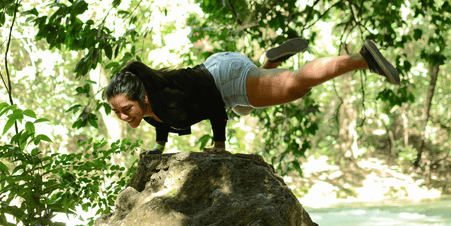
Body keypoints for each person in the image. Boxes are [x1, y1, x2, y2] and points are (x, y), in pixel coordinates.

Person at [105, 38, 400, 155]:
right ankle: (268, 63)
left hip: (224, 82)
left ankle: (363, 58)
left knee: (294, 85)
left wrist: (219, 145)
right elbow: (161, 122)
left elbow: (212, 105)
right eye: (116, 111)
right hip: (221, 71)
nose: (122, 116)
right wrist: (158, 149)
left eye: (125, 108)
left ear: (142, 98)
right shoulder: (150, 105)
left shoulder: (166, 96)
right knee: (248, 106)